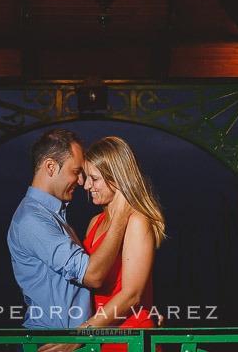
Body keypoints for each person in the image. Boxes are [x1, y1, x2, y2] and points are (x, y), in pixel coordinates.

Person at [8, 128, 133, 332]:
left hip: (69, 339)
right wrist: (120, 217)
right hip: (52, 342)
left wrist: (138, 312)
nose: (82, 182)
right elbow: (91, 276)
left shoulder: (52, 216)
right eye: (76, 172)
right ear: (50, 166)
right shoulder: (33, 220)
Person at [81, 136, 165, 347]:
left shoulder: (137, 221)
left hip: (129, 337)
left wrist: (78, 336)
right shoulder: (94, 223)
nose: (86, 185)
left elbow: (131, 296)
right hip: (97, 335)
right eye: (85, 177)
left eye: (94, 178)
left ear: (117, 178)